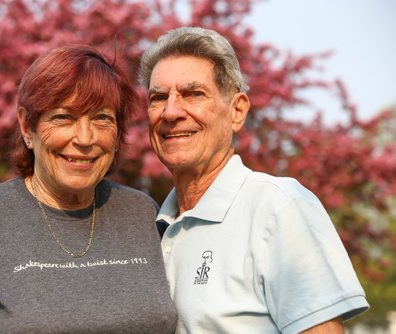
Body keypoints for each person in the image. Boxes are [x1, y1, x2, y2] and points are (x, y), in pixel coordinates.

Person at [0, 45, 177, 333]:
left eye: (102, 118)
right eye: (64, 117)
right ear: (27, 127)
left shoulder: (141, 213)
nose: (85, 138)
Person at [140, 26, 369, 334]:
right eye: (158, 97)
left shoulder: (277, 206)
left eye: (193, 94)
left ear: (237, 111)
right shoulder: (152, 224)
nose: (171, 112)